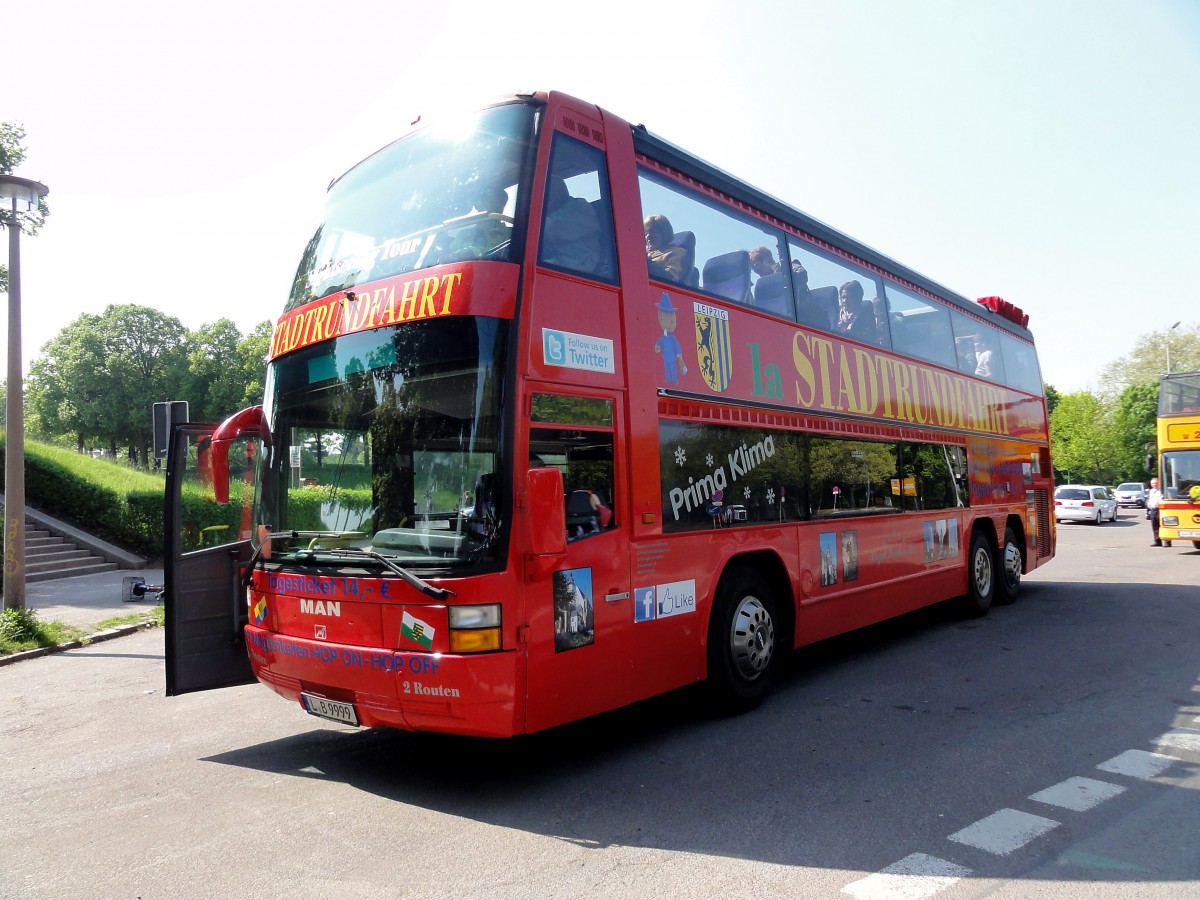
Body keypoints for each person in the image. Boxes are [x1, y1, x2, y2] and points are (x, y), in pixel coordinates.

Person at [541, 179, 601, 274]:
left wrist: (523, 220)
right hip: (558, 267)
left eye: (545, 196)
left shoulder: (579, 207)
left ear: (559, 194)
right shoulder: (556, 213)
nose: (542, 202)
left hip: (580, 270)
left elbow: (549, 230)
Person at [653, 292, 687, 384]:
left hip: (672, 357)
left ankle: (675, 380)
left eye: (671, 321)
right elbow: (660, 342)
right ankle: (668, 378)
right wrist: (657, 346)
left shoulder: (673, 338)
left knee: (673, 368)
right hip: (666, 357)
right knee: (667, 368)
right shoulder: (663, 337)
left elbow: (677, 346)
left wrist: (679, 355)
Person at [644, 215, 687, 282]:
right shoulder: (643, 253)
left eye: (652, 231)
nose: (648, 236)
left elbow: (670, 277)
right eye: (646, 233)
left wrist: (647, 262)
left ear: (664, 233)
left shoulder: (677, 252)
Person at [833, 279, 878, 344]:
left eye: (849, 297)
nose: (844, 301)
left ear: (858, 298)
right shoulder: (834, 313)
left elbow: (869, 337)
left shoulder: (865, 315)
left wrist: (846, 332)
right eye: (843, 297)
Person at [1147, 477, 1170, 547]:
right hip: (1153, 510)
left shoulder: (1163, 491)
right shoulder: (1151, 491)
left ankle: (1167, 542)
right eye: (1152, 483)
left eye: (1156, 483)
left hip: (1160, 509)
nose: (1154, 484)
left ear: (1159, 483)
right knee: (1155, 526)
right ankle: (1157, 541)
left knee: (1163, 525)